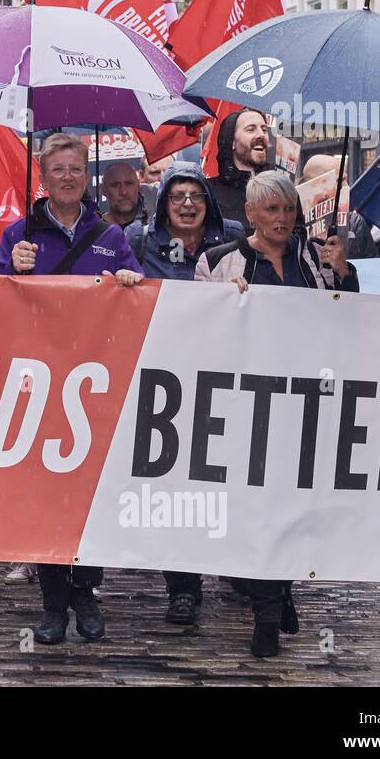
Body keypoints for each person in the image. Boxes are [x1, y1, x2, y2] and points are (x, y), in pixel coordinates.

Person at [0, 133, 144, 645]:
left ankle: (86, 590)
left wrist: (127, 282)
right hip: (39, 384)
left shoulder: (111, 235)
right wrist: (14, 271)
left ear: (86, 175)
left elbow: (141, 296)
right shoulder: (18, 234)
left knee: (90, 492)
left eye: (76, 169)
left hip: (95, 383)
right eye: (57, 169)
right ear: (42, 173)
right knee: (45, 495)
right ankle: (54, 603)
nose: (67, 177)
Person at [195, 170, 357, 657]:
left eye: (288, 209)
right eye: (272, 209)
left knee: (295, 508)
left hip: (308, 403)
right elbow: (196, 332)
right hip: (249, 408)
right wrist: (229, 306)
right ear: (250, 214)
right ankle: (267, 613)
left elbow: (348, 321)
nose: (283, 218)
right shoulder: (218, 262)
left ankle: (281, 587)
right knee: (260, 511)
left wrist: (344, 275)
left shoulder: (313, 257)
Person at [123, 161, 244, 626]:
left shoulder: (232, 238)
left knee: (222, 477)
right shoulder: (140, 242)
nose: (188, 204)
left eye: (196, 196)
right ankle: (183, 586)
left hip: (221, 374)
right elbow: (119, 289)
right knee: (177, 483)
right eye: (177, 197)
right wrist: (127, 280)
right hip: (166, 378)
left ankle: (239, 567)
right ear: (164, 205)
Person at [208, 108, 271, 226]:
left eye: (264, 130)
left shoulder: (280, 189)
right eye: (251, 130)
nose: (261, 135)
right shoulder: (208, 192)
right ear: (232, 141)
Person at [100, 160, 149, 229]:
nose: (123, 192)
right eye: (115, 185)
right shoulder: (95, 230)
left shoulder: (152, 225)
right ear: (102, 190)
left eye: (129, 184)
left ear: (138, 186)